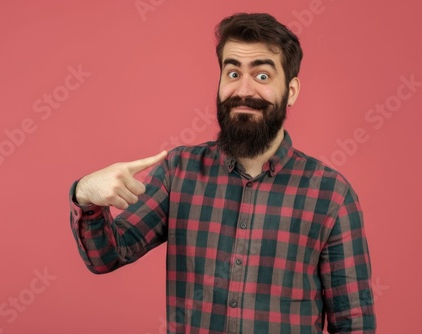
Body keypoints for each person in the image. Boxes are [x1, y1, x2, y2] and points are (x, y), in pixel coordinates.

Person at [68, 12, 376, 333]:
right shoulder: (180, 171)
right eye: (232, 73)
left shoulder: (331, 195)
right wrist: (86, 196)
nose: (243, 91)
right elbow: (107, 256)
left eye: (262, 76)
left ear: (292, 90)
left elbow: (353, 323)